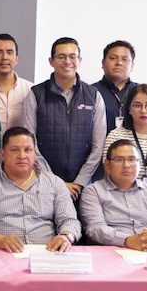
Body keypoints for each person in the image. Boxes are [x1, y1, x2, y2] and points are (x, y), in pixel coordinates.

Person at [0, 127, 81, 252]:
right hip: (2, 252)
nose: (22, 156)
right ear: (3, 153)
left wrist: (66, 237)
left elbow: (70, 220)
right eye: (14, 150)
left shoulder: (54, 183)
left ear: (34, 153)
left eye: (28, 150)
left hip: (47, 252)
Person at [22, 37, 106, 202]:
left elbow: (98, 146)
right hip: (44, 183)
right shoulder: (36, 94)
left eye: (72, 56)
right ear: (51, 61)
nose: (67, 61)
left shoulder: (93, 96)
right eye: (61, 56)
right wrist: (55, 183)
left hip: (82, 187)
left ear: (79, 60)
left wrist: (80, 182)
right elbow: (30, 143)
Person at [81, 139, 147, 250]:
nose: (126, 165)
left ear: (139, 164)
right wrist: (127, 240)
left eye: (132, 159)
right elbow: (95, 228)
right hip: (112, 250)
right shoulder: (93, 191)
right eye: (119, 160)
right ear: (107, 165)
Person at [0, 34, 34, 136]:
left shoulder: (31, 90)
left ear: (17, 59)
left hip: (20, 146)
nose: (4, 57)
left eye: (9, 52)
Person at [93, 40, 138, 134]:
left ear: (132, 65)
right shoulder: (90, 92)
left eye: (124, 59)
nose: (119, 63)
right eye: (113, 58)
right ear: (103, 63)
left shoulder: (141, 92)